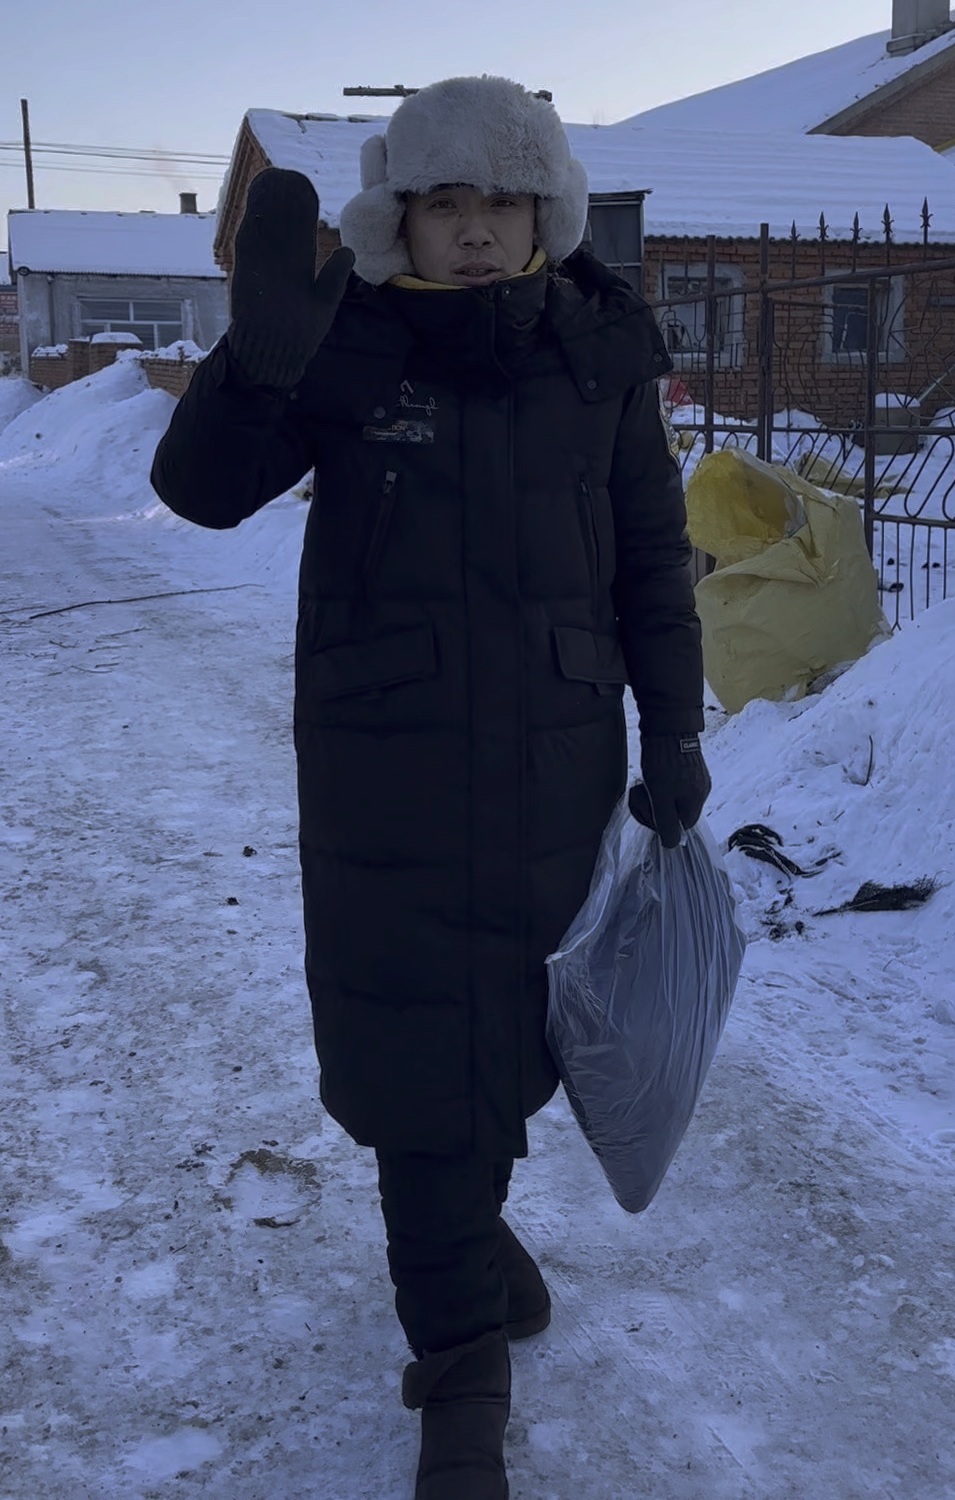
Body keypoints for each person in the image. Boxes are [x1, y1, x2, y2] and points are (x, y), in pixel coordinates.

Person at [151, 76, 709, 1499]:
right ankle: (459, 1365)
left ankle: (470, 1239)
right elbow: (201, 491)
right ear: (403, 214)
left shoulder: (602, 347)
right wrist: (257, 360)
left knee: (514, 1034)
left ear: (545, 210)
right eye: (445, 202)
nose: (472, 230)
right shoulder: (354, 339)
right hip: (385, 764)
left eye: (499, 201)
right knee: (418, 1049)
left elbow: (651, 552)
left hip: (556, 758)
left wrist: (674, 730)